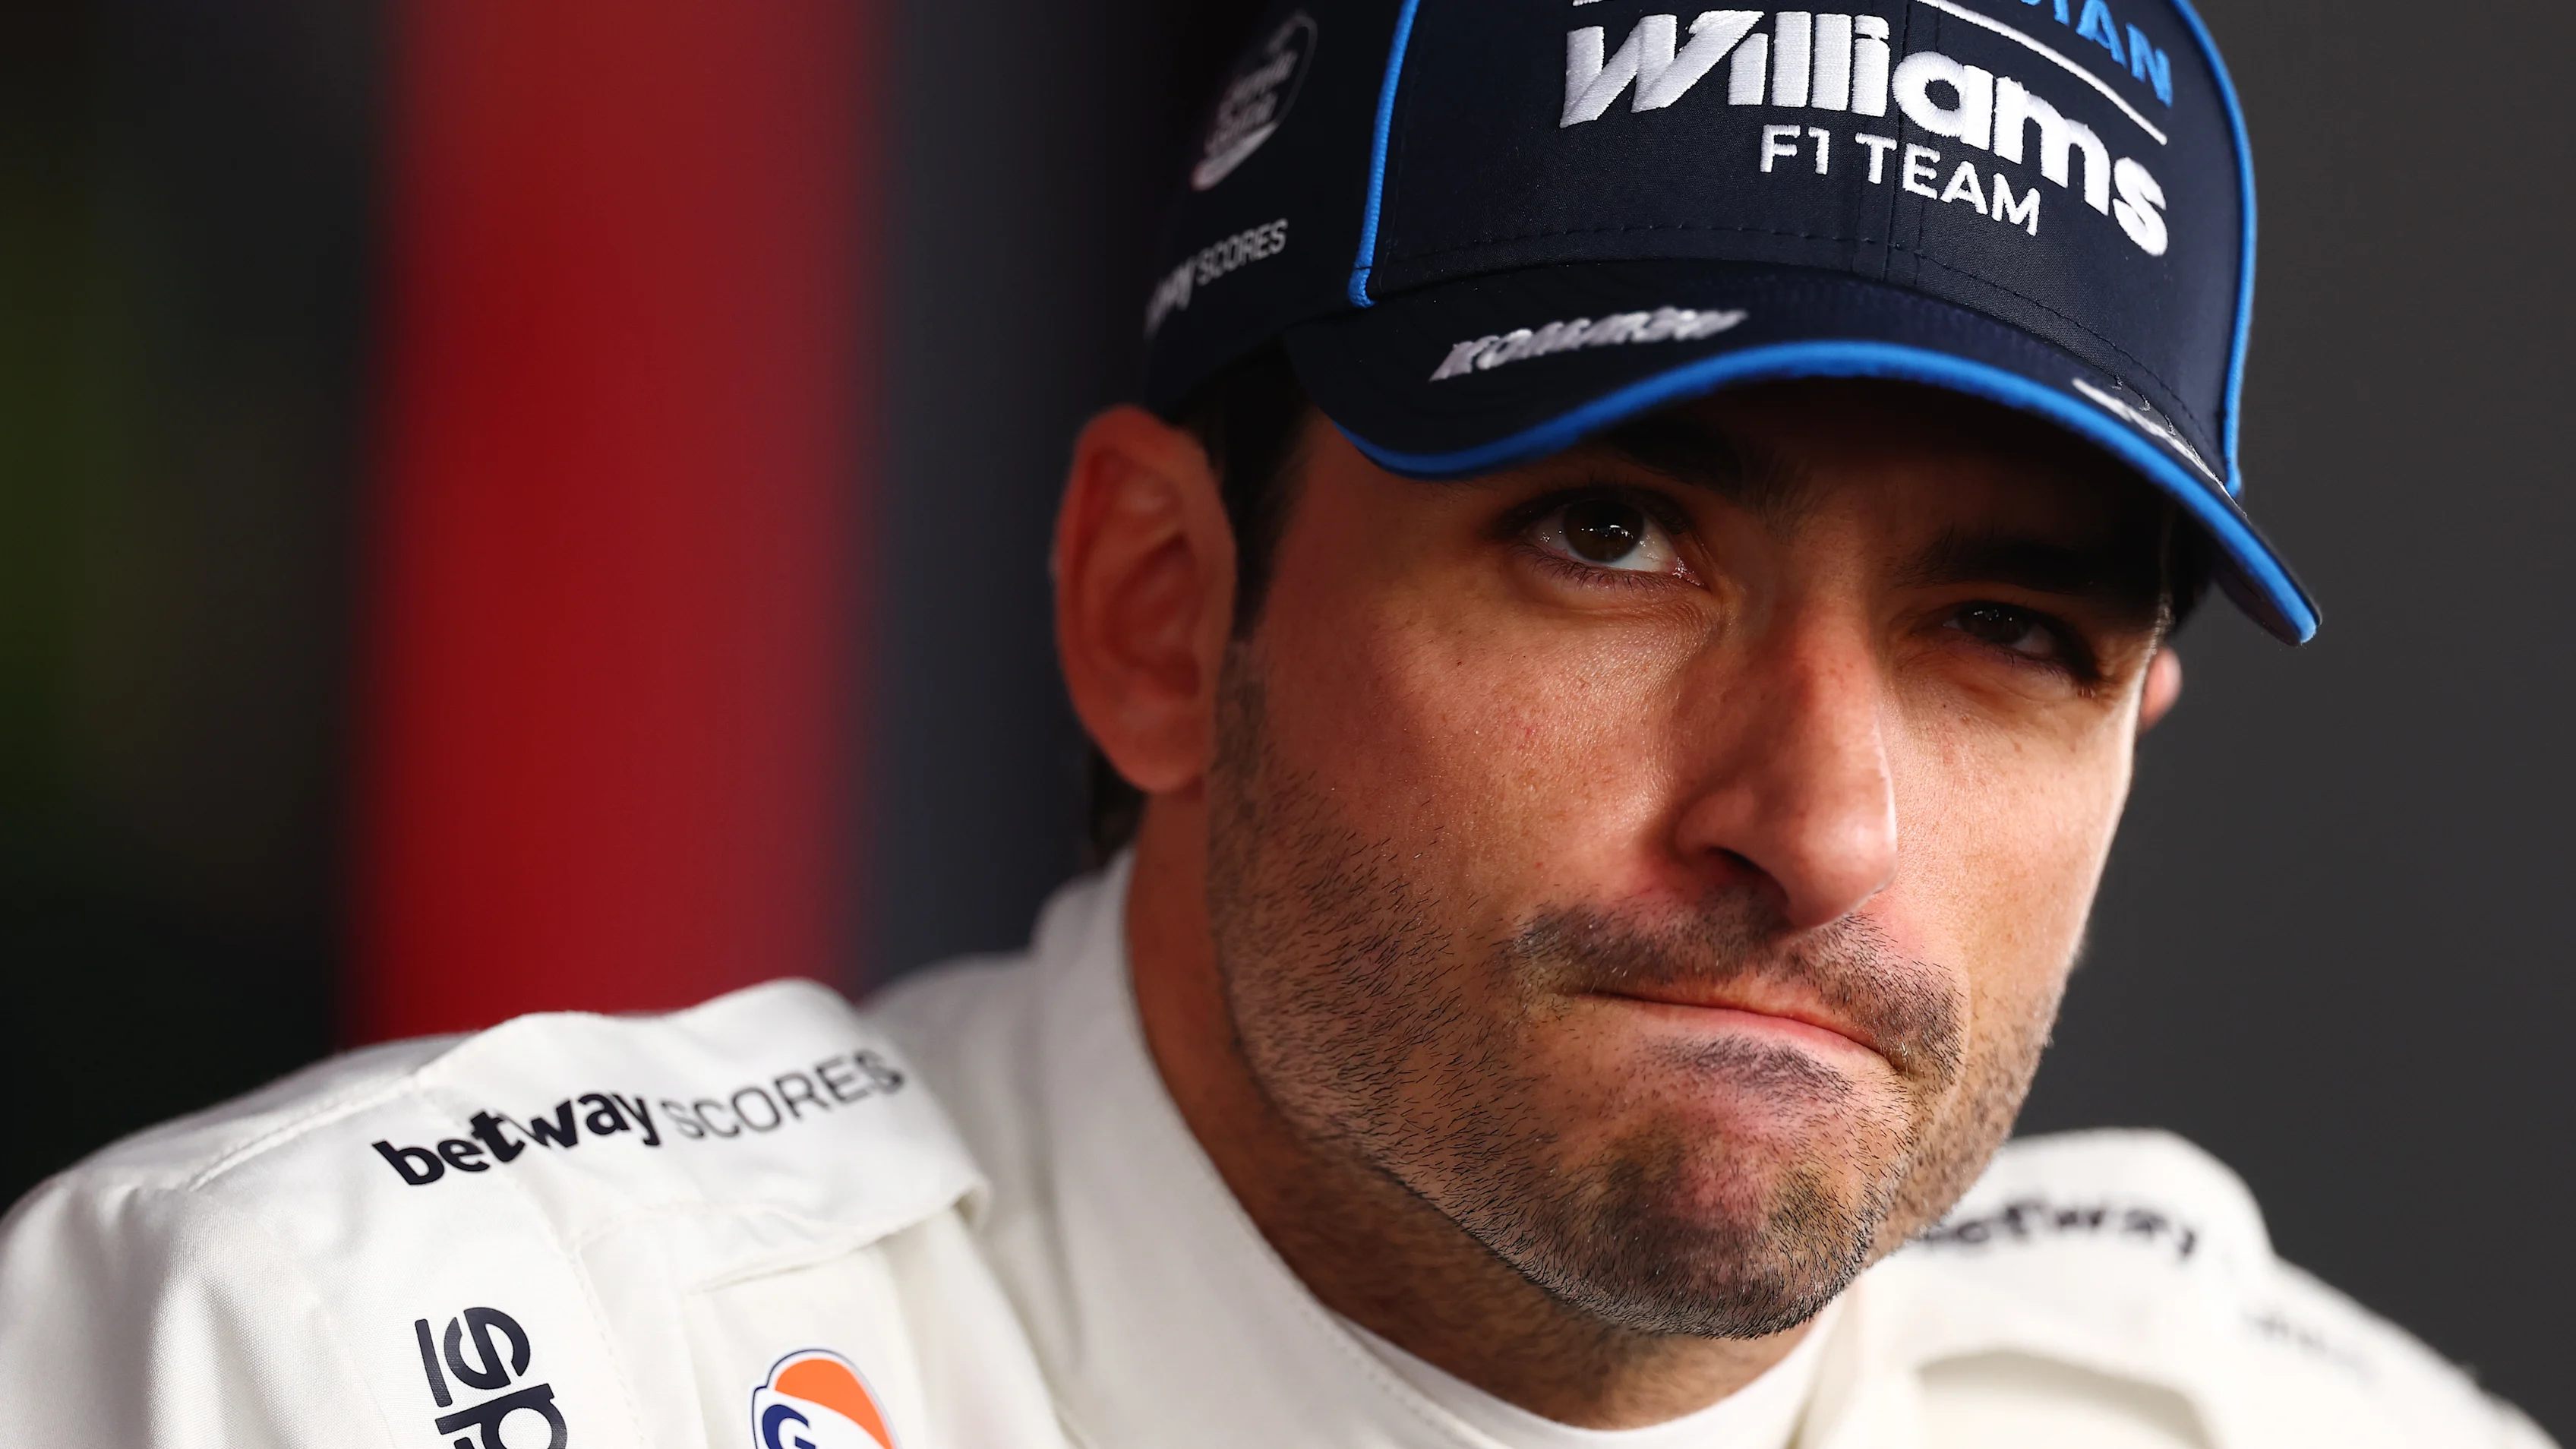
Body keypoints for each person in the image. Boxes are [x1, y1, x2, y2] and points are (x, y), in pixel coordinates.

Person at [0, 1, 2552, 1445]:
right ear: (1153, 611)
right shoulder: (330, 1373)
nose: (1821, 820)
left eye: (2010, 626)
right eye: (1613, 534)